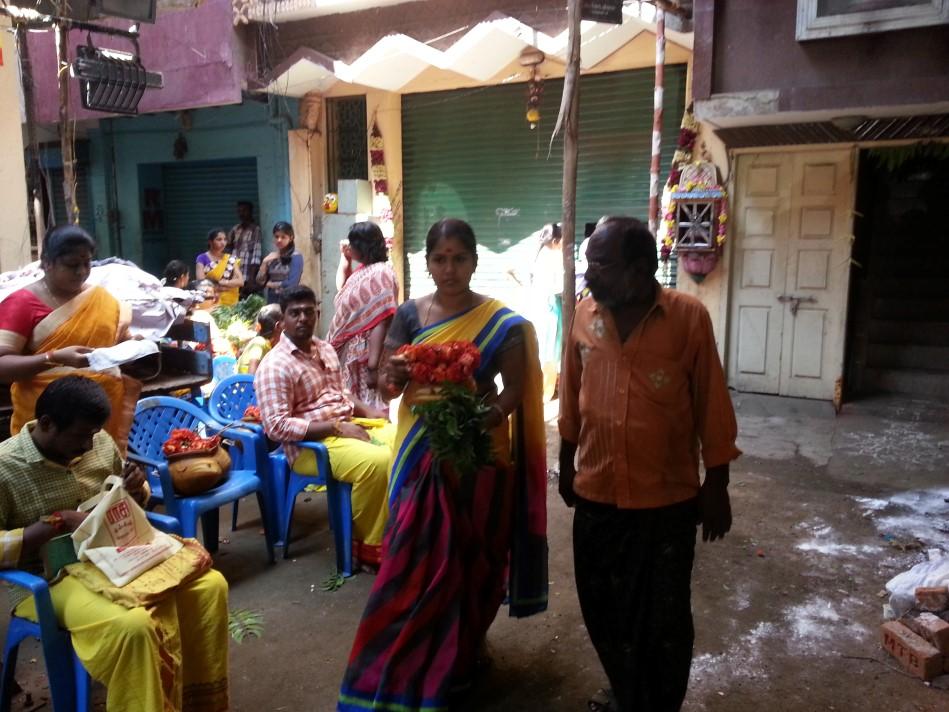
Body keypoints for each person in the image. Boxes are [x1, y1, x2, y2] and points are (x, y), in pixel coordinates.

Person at [338, 219, 549, 712]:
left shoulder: (502, 323)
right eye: (439, 259)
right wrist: (389, 374)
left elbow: (516, 387)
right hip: (418, 450)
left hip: (475, 454)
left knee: (474, 558)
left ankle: (462, 655)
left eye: (459, 258)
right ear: (427, 263)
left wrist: (486, 416)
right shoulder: (409, 316)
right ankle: (397, 669)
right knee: (413, 560)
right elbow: (390, 384)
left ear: (474, 262)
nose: (449, 268)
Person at [558, 217, 741, 712]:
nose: (588, 273)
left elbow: (711, 403)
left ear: (640, 270)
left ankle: (656, 703)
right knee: (603, 608)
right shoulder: (582, 314)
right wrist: (566, 459)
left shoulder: (688, 318)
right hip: (597, 492)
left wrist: (717, 483)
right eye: (589, 262)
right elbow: (571, 395)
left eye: (600, 264)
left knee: (663, 620)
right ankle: (626, 688)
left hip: (667, 500)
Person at [0, 376, 229, 712]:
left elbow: (127, 503)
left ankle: (193, 701)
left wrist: (136, 488)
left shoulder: (98, 441)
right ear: (46, 424)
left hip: (113, 555)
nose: (91, 447)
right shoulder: (5, 467)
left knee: (210, 586)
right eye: (80, 437)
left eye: (94, 435)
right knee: (133, 625)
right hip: (48, 580)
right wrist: (54, 524)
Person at [254, 286, 395, 568]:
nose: (303, 318)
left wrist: (371, 412)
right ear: (282, 322)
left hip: (345, 424)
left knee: (404, 441)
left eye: (309, 312)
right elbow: (276, 427)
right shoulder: (274, 366)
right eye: (295, 313)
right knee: (378, 462)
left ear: (317, 315)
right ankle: (367, 546)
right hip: (310, 448)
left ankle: (398, 529)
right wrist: (335, 427)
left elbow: (342, 394)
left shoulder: (326, 349)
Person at [0, 225, 141, 452]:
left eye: (87, 263)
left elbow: (111, 348)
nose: (81, 272)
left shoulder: (102, 299)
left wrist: (132, 347)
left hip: (99, 418)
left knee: (102, 480)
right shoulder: (22, 303)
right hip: (49, 425)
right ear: (47, 262)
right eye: (72, 265)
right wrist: (54, 357)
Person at [326, 222, 399, 411]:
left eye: (352, 245)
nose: (349, 248)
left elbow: (381, 321)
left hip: (366, 356)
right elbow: (341, 289)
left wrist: (373, 368)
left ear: (361, 246)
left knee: (369, 409)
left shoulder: (381, 273)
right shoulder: (365, 271)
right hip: (351, 354)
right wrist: (345, 259)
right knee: (353, 407)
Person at [256, 221, 304, 304]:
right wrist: (264, 263)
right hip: (272, 300)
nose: (279, 240)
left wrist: (270, 284)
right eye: (276, 236)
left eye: (283, 237)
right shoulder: (271, 257)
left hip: (289, 301)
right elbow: (260, 282)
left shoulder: (296, 257)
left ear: (291, 238)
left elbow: (292, 283)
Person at [195, 228, 244, 307]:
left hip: (230, 303)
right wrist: (224, 287)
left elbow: (240, 281)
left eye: (225, 240)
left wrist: (223, 283)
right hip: (210, 301)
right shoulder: (202, 258)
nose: (223, 243)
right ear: (210, 242)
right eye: (219, 239)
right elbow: (201, 283)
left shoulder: (230, 259)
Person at [228, 201, 262, 297]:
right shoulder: (235, 229)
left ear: (251, 212)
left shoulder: (255, 230)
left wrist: (251, 280)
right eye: (239, 211)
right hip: (234, 275)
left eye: (244, 211)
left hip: (247, 276)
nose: (241, 213)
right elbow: (229, 252)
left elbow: (256, 256)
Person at [237, 304, 282, 375]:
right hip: (247, 385)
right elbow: (251, 375)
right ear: (278, 326)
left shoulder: (267, 345)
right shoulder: (259, 343)